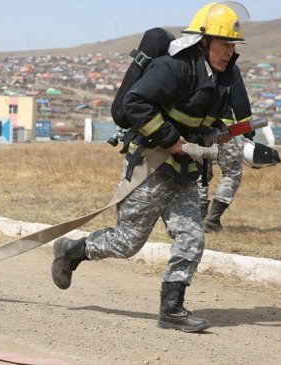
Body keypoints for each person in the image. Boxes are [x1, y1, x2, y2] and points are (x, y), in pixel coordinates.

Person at [51, 1, 250, 333]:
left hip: (184, 173)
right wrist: (171, 139)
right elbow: (135, 103)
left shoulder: (222, 79)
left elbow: (205, 124)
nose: (229, 51)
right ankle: (71, 251)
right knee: (126, 243)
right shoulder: (176, 68)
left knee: (192, 237)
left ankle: (172, 309)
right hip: (152, 167)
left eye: (232, 45)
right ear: (203, 41)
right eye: (224, 43)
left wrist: (223, 138)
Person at [199, 64, 254, 233]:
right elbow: (241, 103)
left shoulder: (195, 67)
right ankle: (213, 219)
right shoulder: (230, 69)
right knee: (232, 172)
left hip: (197, 130)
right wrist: (248, 132)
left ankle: (199, 218)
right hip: (225, 132)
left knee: (200, 173)